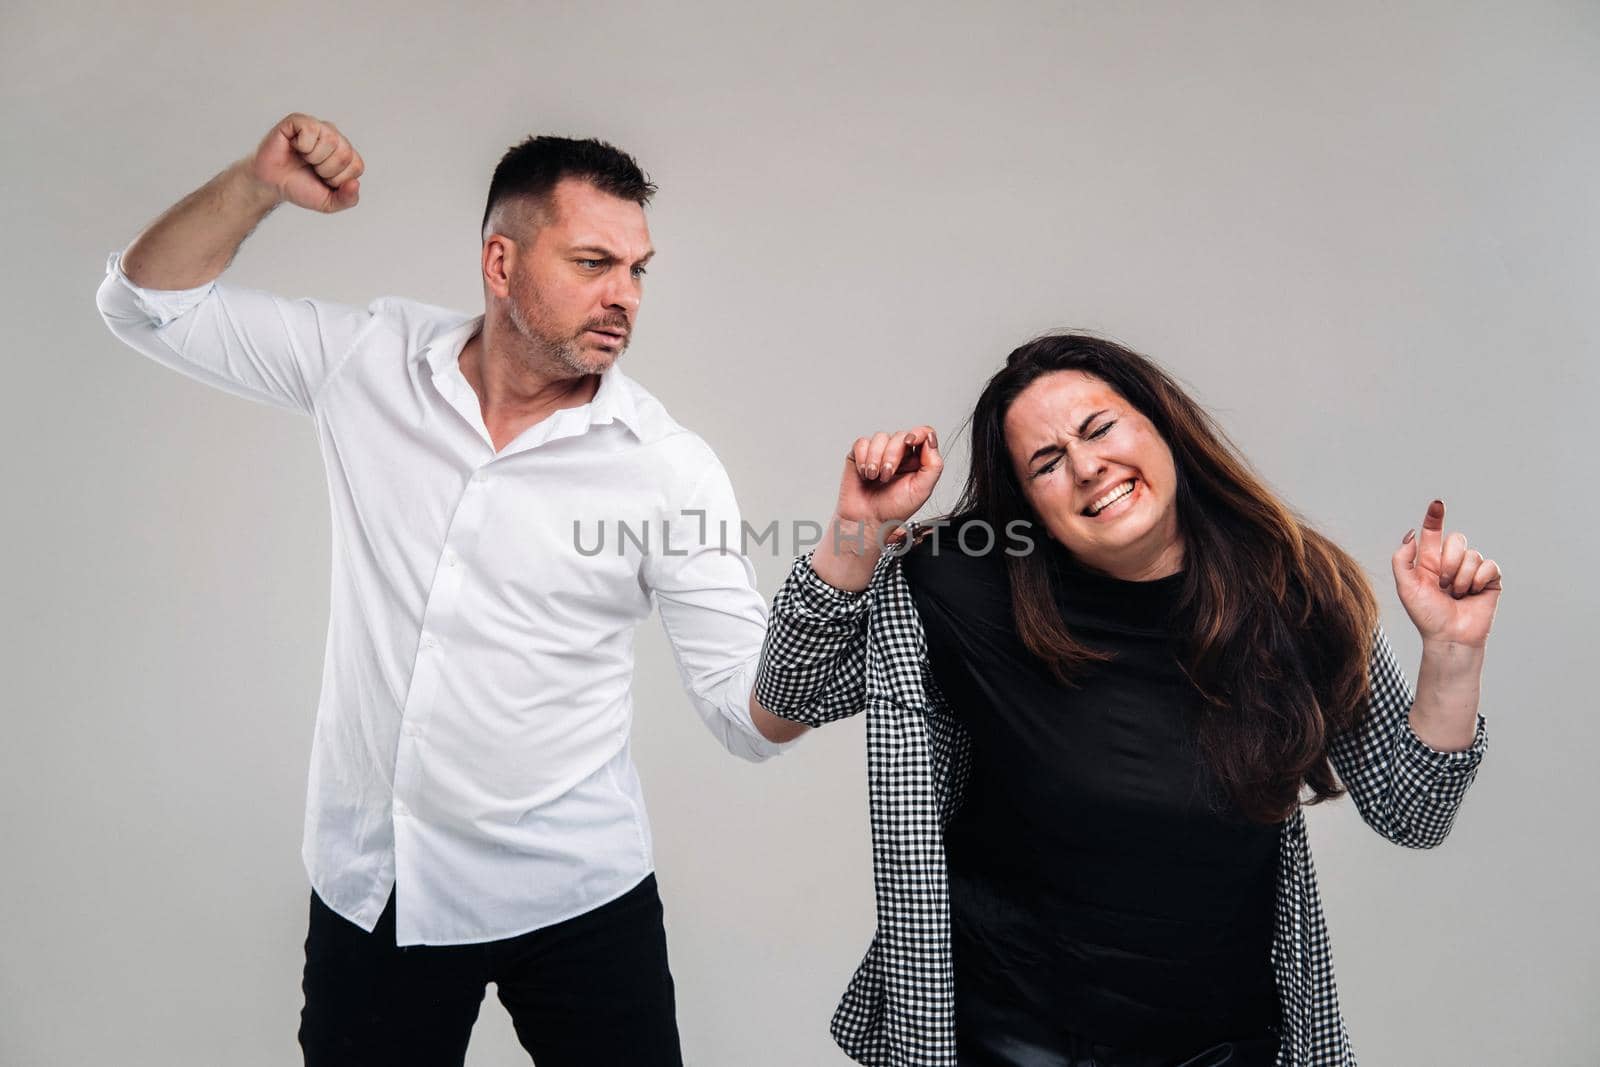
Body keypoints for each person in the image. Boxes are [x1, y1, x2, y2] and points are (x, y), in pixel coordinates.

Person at [95, 112, 805, 1066]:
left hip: (577, 898)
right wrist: (256, 184)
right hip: (375, 887)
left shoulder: (668, 469)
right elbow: (143, 305)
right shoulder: (368, 363)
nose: (624, 296)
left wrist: (840, 580)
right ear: (500, 262)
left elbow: (743, 714)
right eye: (593, 261)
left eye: (637, 270)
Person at [752, 333, 1497, 1067]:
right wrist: (857, 530)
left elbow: (1413, 812)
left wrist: (1453, 652)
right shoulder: (962, 587)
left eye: (1098, 427)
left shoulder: (1292, 588)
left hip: (1226, 1045)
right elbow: (786, 699)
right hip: (1012, 1044)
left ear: (1160, 422)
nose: (1085, 466)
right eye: (1046, 462)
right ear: (1030, 503)